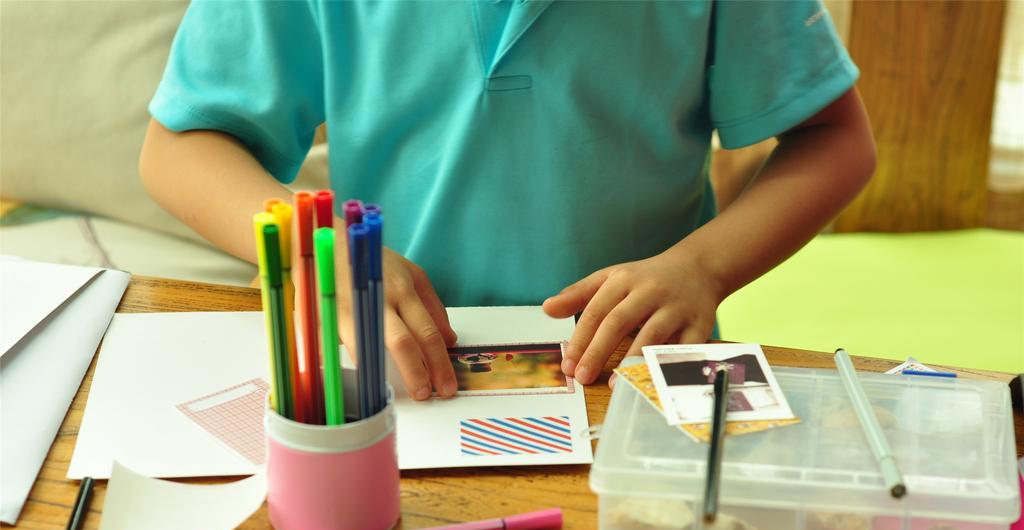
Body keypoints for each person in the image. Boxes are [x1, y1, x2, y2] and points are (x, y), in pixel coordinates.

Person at [140, 0, 875, 400]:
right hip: (396, 361)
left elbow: (836, 140)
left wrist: (703, 268)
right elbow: (177, 148)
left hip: (642, 362)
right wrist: (318, 247)